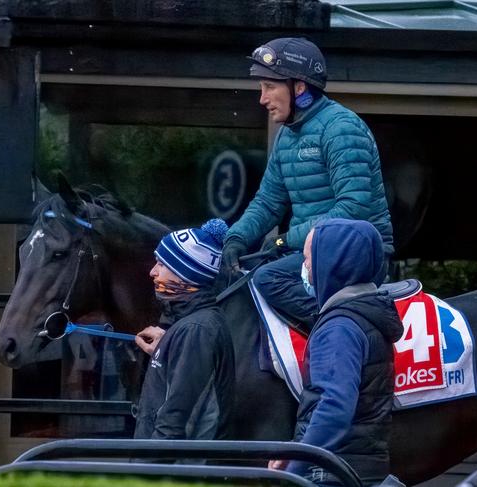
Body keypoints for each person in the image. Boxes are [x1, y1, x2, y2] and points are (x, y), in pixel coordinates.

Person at [221, 37, 393, 330]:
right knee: (243, 276)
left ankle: (348, 330)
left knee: (268, 278)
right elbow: (268, 202)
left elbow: (354, 208)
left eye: (270, 87)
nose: (262, 99)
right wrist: (236, 239)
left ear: (299, 88)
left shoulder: (341, 128)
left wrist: (285, 240)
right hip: (312, 253)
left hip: (359, 254)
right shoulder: (287, 136)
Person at [269, 218, 404, 486]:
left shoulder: (339, 328)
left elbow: (333, 406)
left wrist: (295, 470)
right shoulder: (365, 317)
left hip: (332, 472)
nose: (305, 268)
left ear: (331, 263)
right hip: (363, 467)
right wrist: (297, 448)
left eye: (308, 259)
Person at [133, 219, 235, 441]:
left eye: (161, 264)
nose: (152, 272)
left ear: (186, 274)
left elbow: (175, 420)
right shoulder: (189, 326)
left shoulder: (197, 330)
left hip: (176, 471)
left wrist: (143, 471)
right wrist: (168, 348)